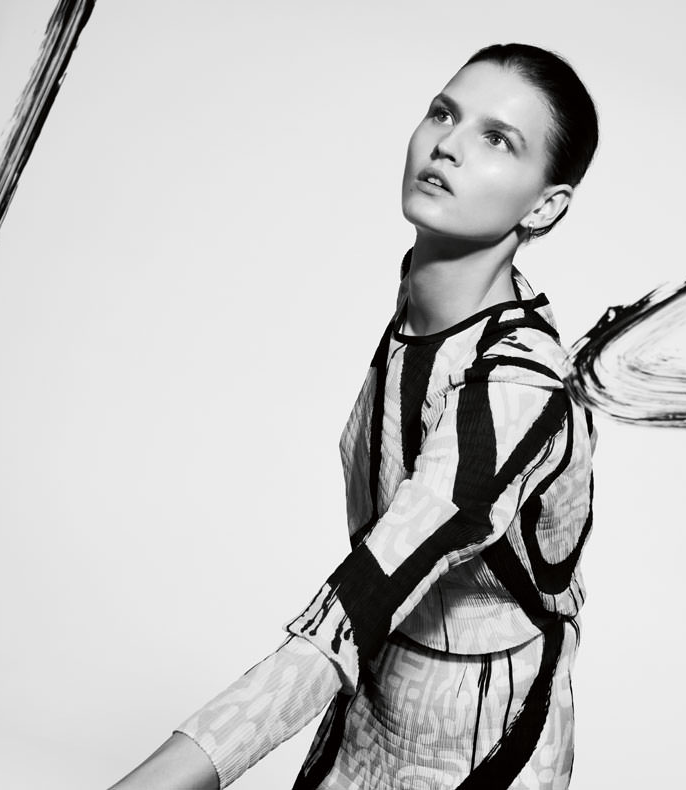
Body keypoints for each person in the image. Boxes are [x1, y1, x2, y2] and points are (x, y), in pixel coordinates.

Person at [108, 42, 600, 790]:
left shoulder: (516, 390)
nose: (447, 146)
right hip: (372, 699)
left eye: (498, 139)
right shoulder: (427, 309)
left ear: (544, 206)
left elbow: (358, 602)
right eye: (443, 113)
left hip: (484, 738)